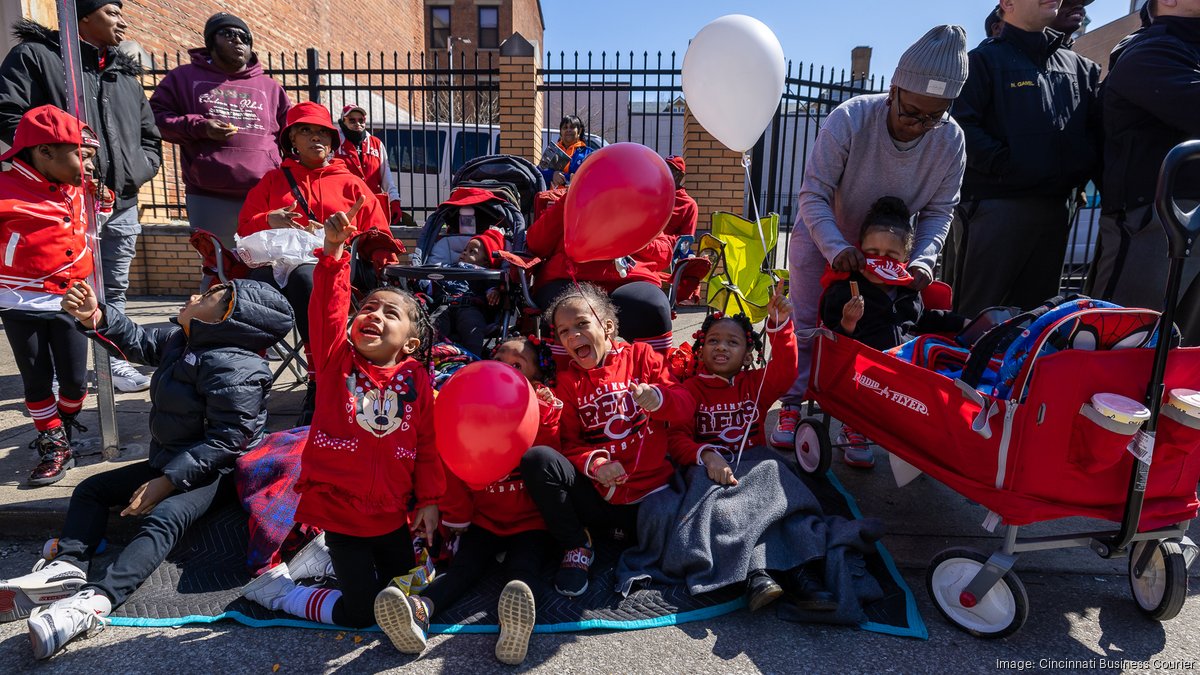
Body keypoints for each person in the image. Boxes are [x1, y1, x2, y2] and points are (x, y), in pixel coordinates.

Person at [0, 276, 292, 660]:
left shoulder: (237, 368)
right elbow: (138, 340)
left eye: (207, 296)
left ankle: (94, 603)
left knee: (165, 517)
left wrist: (167, 482)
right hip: (171, 459)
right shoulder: (183, 340)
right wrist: (95, 316)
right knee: (91, 489)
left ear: (229, 318)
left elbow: (227, 441)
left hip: (218, 471)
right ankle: (68, 566)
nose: (193, 294)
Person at [240, 206, 444, 650]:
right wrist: (334, 253)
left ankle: (326, 567)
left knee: (405, 589)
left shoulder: (417, 378)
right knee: (362, 612)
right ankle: (283, 594)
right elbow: (327, 310)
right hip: (342, 515)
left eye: (391, 313)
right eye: (369, 307)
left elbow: (427, 444)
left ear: (410, 342)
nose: (375, 314)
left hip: (392, 513)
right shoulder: (336, 361)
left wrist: (428, 500)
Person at [774, 25, 968, 450]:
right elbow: (813, 192)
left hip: (888, 252)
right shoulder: (851, 118)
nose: (920, 125)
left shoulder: (951, 140)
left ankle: (856, 411)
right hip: (826, 237)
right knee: (809, 326)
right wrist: (837, 248)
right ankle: (793, 399)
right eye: (911, 112)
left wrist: (922, 260)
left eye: (934, 116)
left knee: (876, 333)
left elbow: (939, 210)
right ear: (893, 89)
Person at [0, 0, 164, 393]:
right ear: (83, 16)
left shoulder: (123, 76)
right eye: (112, 12)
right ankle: (59, 370)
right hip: (54, 205)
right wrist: (51, 171)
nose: (123, 21)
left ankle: (115, 358)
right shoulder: (36, 57)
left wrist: (128, 175)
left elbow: (150, 141)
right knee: (58, 285)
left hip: (116, 203)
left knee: (113, 287)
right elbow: (9, 114)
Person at [380, 336, 560, 664]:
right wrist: (458, 517)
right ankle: (420, 612)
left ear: (536, 381)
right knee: (464, 569)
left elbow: (554, 459)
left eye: (517, 366)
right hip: (484, 521)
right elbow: (450, 460)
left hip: (530, 521)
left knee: (524, 568)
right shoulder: (469, 406)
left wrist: (543, 410)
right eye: (498, 359)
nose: (503, 370)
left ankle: (515, 621)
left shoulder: (543, 412)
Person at [520, 283, 696, 597]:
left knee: (675, 520)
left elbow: (685, 406)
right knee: (538, 459)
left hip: (647, 498)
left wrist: (659, 398)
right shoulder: (568, 383)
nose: (573, 336)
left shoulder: (642, 357)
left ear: (608, 327)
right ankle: (577, 545)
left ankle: (644, 545)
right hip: (600, 498)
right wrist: (596, 464)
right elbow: (568, 445)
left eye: (582, 324)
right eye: (563, 331)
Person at [667, 293, 838, 611]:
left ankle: (802, 575)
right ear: (700, 349)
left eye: (732, 342)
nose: (721, 347)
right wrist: (706, 455)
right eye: (713, 340)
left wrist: (778, 325)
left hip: (756, 467)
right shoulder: (689, 389)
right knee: (727, 512)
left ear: (748, 355)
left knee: (785, 505)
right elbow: (676, 439)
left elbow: (786, 372)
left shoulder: (756, 383)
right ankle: (758, 574)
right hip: (714, 475)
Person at [947, 0, 1101, 318]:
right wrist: (1008, 166)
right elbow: (960, 128)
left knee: (1035, 322)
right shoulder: (980, 62)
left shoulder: (1081, 68)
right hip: (996, 209)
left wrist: (1071, 173)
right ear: (1008, 3)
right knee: (976, 319)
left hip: (1056, 212)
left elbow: (1096, 136)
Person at [238, 101, 390, 424]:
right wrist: (271, 218)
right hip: (275, 268)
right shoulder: (271, 182)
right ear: (291, 139)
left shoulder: (350, 182)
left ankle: (319, 378)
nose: (315, 137)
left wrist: (360, 246)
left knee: (308, 278)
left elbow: (380, 235)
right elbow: (244, 231)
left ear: (333, 140)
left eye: (322, 132)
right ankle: (245, 380)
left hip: (333, 272)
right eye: (305, 130)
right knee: (249, 291)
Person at [819, 197, 968, 467]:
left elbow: (923, 319)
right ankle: (854, 429)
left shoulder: (909, 291)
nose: (881, 261)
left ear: (905, 259)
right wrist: (848, 323)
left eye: (891, 256)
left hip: (905, 370)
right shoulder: (844, 290)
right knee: (864, 383)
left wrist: (964, 323)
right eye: (873, 252)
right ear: (860, 251)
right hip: (861, 372)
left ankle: (919, 436)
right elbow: (832, 341)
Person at [0, 106, 101, 486]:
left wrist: (102, 198)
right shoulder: (5, 187)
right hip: (19, 302)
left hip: (71, 298)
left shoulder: (77, 187)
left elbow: (92, 220)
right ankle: (53, 441)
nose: (87, 166)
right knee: (36, 380)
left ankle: (62, 422)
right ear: (44, 152)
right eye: (82, 157)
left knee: (75, 381)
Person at [1090, 0, 1200, 344]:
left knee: (1184, 359)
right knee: (1124, 341)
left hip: (1184, 219)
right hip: (1155, 223)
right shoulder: (1149, 50)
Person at [149, 12, 291, 250]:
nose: (238, 41)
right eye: (228, 34)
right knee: (218, 265)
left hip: (262, 193)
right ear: (211, 41)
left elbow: (289, 135)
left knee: (267, 263)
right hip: (208, 194)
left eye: (244, 37)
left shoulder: (271, 87)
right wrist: (200, 127)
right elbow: (154, 119)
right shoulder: (183, 78)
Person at [527, 194, 675, 354]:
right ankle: (563, 373)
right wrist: (567, 203)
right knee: (569, 310)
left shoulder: (636, 203)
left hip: (628, 278)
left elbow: (664, 255)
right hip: (571, 276)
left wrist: (628, 233)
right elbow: (536, 244)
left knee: (652, 307)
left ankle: (655, 369)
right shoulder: (568, 201)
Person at [428, 227, 505, 356]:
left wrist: (493, 291)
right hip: (444, 305)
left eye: (472, 252)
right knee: (433, 327)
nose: (464, 253)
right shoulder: (448, 267)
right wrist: (424, 281)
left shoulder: (483, 272)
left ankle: (473, 357)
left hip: (470, 306)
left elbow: (492, 284)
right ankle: (431, 355)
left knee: (472, 328)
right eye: (464, 250)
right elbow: (433, 280)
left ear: (486, 262)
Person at [335, 104, 404, 226]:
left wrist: (394, 201)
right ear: (343, 121)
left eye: (361, 120)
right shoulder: (335, 144)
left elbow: (386, 178)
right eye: (352, 120)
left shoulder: (376, 144)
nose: (357, 123)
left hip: (373, 207)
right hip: (345, 207)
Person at [540, 115, 591, 187]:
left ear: (579, 131)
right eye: (565, 128)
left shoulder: (587, 153)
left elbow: (590, 177)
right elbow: (539, 171)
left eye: (572, 127)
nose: (568, 130)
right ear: (561, 131)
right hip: (551, 196)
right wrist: (552, 175)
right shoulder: (552, 150)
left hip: (575, 196)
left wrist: (566, 177)